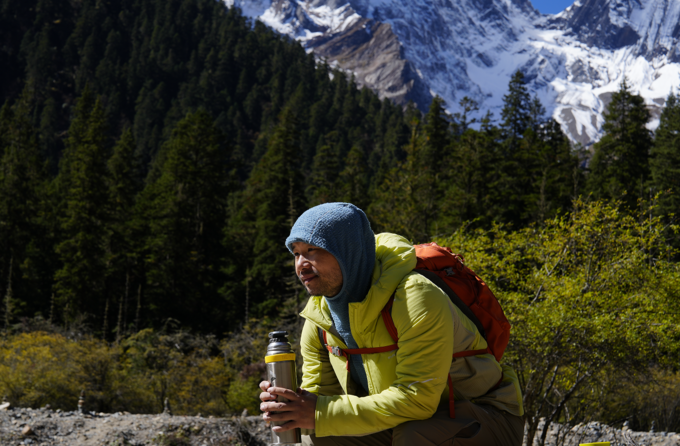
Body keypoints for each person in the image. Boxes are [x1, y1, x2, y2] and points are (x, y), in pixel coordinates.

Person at [259, 203, 524, 445]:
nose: (301, 265)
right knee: (320, 438)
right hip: (403, 422)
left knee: (414, 436)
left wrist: (319, 412)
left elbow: (417, 400)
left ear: (347, 252)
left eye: (312, 250)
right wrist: (293, 407)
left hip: (484, 415)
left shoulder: (414, 296)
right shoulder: (319, 317)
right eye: (296, 253)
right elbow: (320, 400)